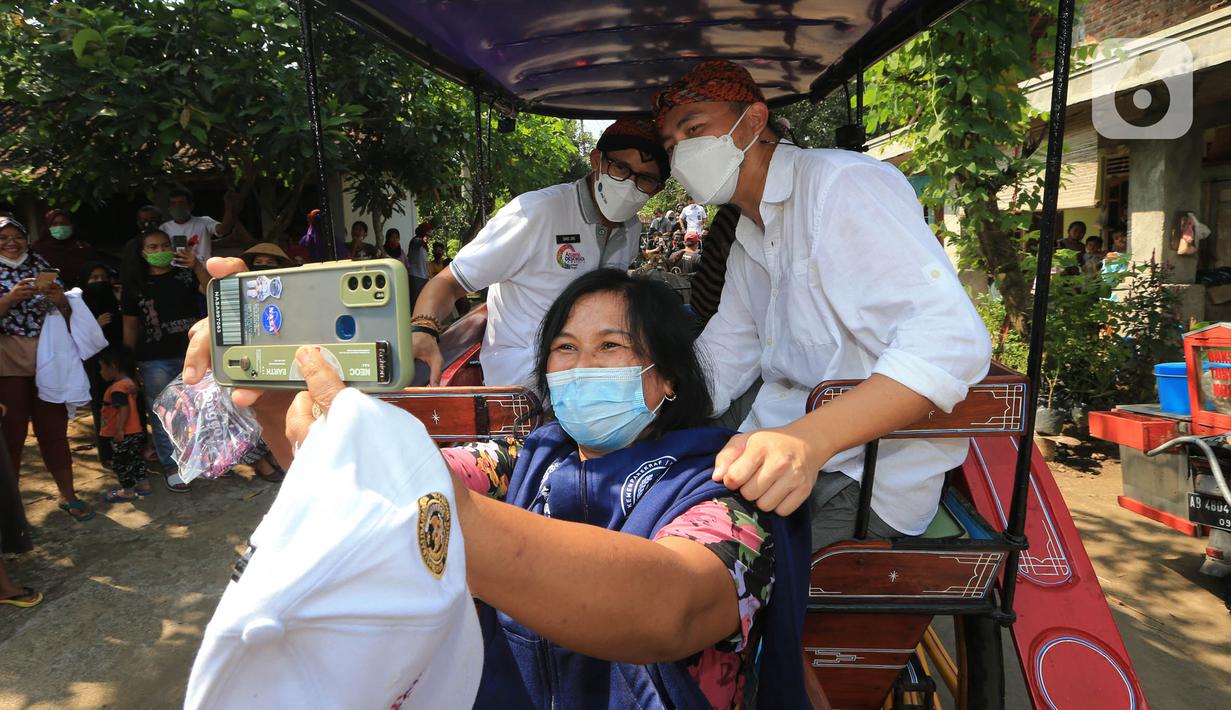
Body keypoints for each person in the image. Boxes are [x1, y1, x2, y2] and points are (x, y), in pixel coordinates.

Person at [181, 266, 810, 708]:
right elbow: (370, 493)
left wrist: (429, 504)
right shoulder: (519, 459)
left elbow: (675, 607)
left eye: (610, 345)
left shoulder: (722, 486)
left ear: (667, 377)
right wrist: (272, 402)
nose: (581, 364)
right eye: (564, 348)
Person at [654, 60, 990, 550]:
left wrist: (809, 442)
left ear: (753, 121)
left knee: (686, 563)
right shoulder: (750, 225)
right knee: (641, 481)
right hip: (777, 429)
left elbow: (950, 342)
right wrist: (654, 404)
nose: (682, 152)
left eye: (694, 128)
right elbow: (730, 345)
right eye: (671, 146)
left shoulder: (840, 184)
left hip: (864, 474)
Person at [410, 118, 669, 386]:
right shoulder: (535, 213)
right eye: (620, 167)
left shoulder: (631, 228)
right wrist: (423, 328)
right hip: (522, 384)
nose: (629, 183)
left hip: (589, 376)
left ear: (658, 189)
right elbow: (449, 282)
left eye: (646, 179)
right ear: (597, 161)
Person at [0, 216, 95, 522]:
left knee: (53, 432)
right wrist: (10, 299)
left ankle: (68, 496)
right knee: (11, 436)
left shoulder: (40, 263)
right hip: (7, 363)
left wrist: (60, 300)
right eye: (3, 237)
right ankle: (12, 510)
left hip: (48, 359)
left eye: (17, 236)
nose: (11, 242)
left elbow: (66, 310)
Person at [122, 228, 209, 491]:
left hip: (192, 353)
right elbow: (130, 327)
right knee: (163, 414)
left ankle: (201, 461)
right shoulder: (135, 286)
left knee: (198, 411)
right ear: (142, 252)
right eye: (152, 247)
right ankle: (171, 465)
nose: (160, 252)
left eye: (164, 246)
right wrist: (128, 364)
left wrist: (197, 265)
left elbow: (210, 290)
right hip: (154, 360)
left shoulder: (185, 275)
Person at [80, 261, 124, 467]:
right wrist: (95, 327)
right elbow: (77, 338)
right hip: (95, 365)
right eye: (94, 279)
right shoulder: (79, 306)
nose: (100, 283)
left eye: (104, 279)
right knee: (103, 406)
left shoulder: (115, 301)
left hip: (118, 360)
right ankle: (108, 452)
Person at [96, 345, 152, 503]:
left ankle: (127, 491)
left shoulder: (117, 388)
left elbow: (123, 408)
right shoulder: (130, 383)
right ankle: (144, 485)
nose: (101, 372)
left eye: (102, 368)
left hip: (124, 433)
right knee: (135, 458)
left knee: (122, 463)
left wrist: (119, 429)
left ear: (113, 366)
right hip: (135, 430)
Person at [160, 187, 241, 263]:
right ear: (169, 207)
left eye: (181, 203)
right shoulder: (163, 228)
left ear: (191, 206)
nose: (177, 207)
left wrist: (229, 207)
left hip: (202, 271)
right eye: (173, 204)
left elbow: (224, 229)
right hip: (176, 272)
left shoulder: (204, 222)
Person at [32, 209, 96, 289]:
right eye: (54, 224)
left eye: (64, 223)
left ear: (71, 225)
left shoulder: (83, 248)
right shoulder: (38, 249)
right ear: (48, 227)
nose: (60, 227)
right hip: (50, 294)